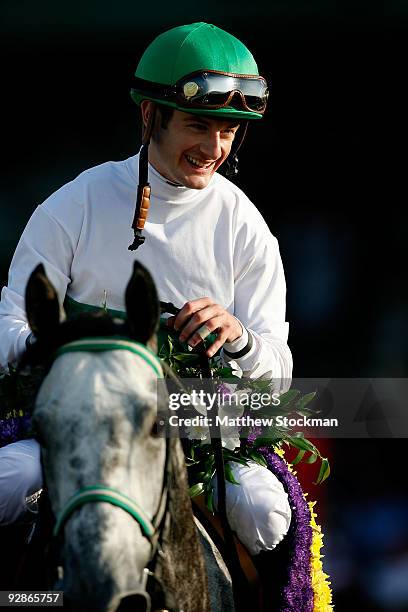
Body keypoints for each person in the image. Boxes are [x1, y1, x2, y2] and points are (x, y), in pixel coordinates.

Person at [0, 22, 293, 563]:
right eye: (198, 125)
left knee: (264, 510)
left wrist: (240, 339)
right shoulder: (75, 203)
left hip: (193, 429)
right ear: (149, 115)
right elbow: (10, 324)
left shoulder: (245, 226)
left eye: (228, 132)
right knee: (9, 478)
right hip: (80, 423)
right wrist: (75, 349)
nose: (213, 147)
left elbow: (278, 372)